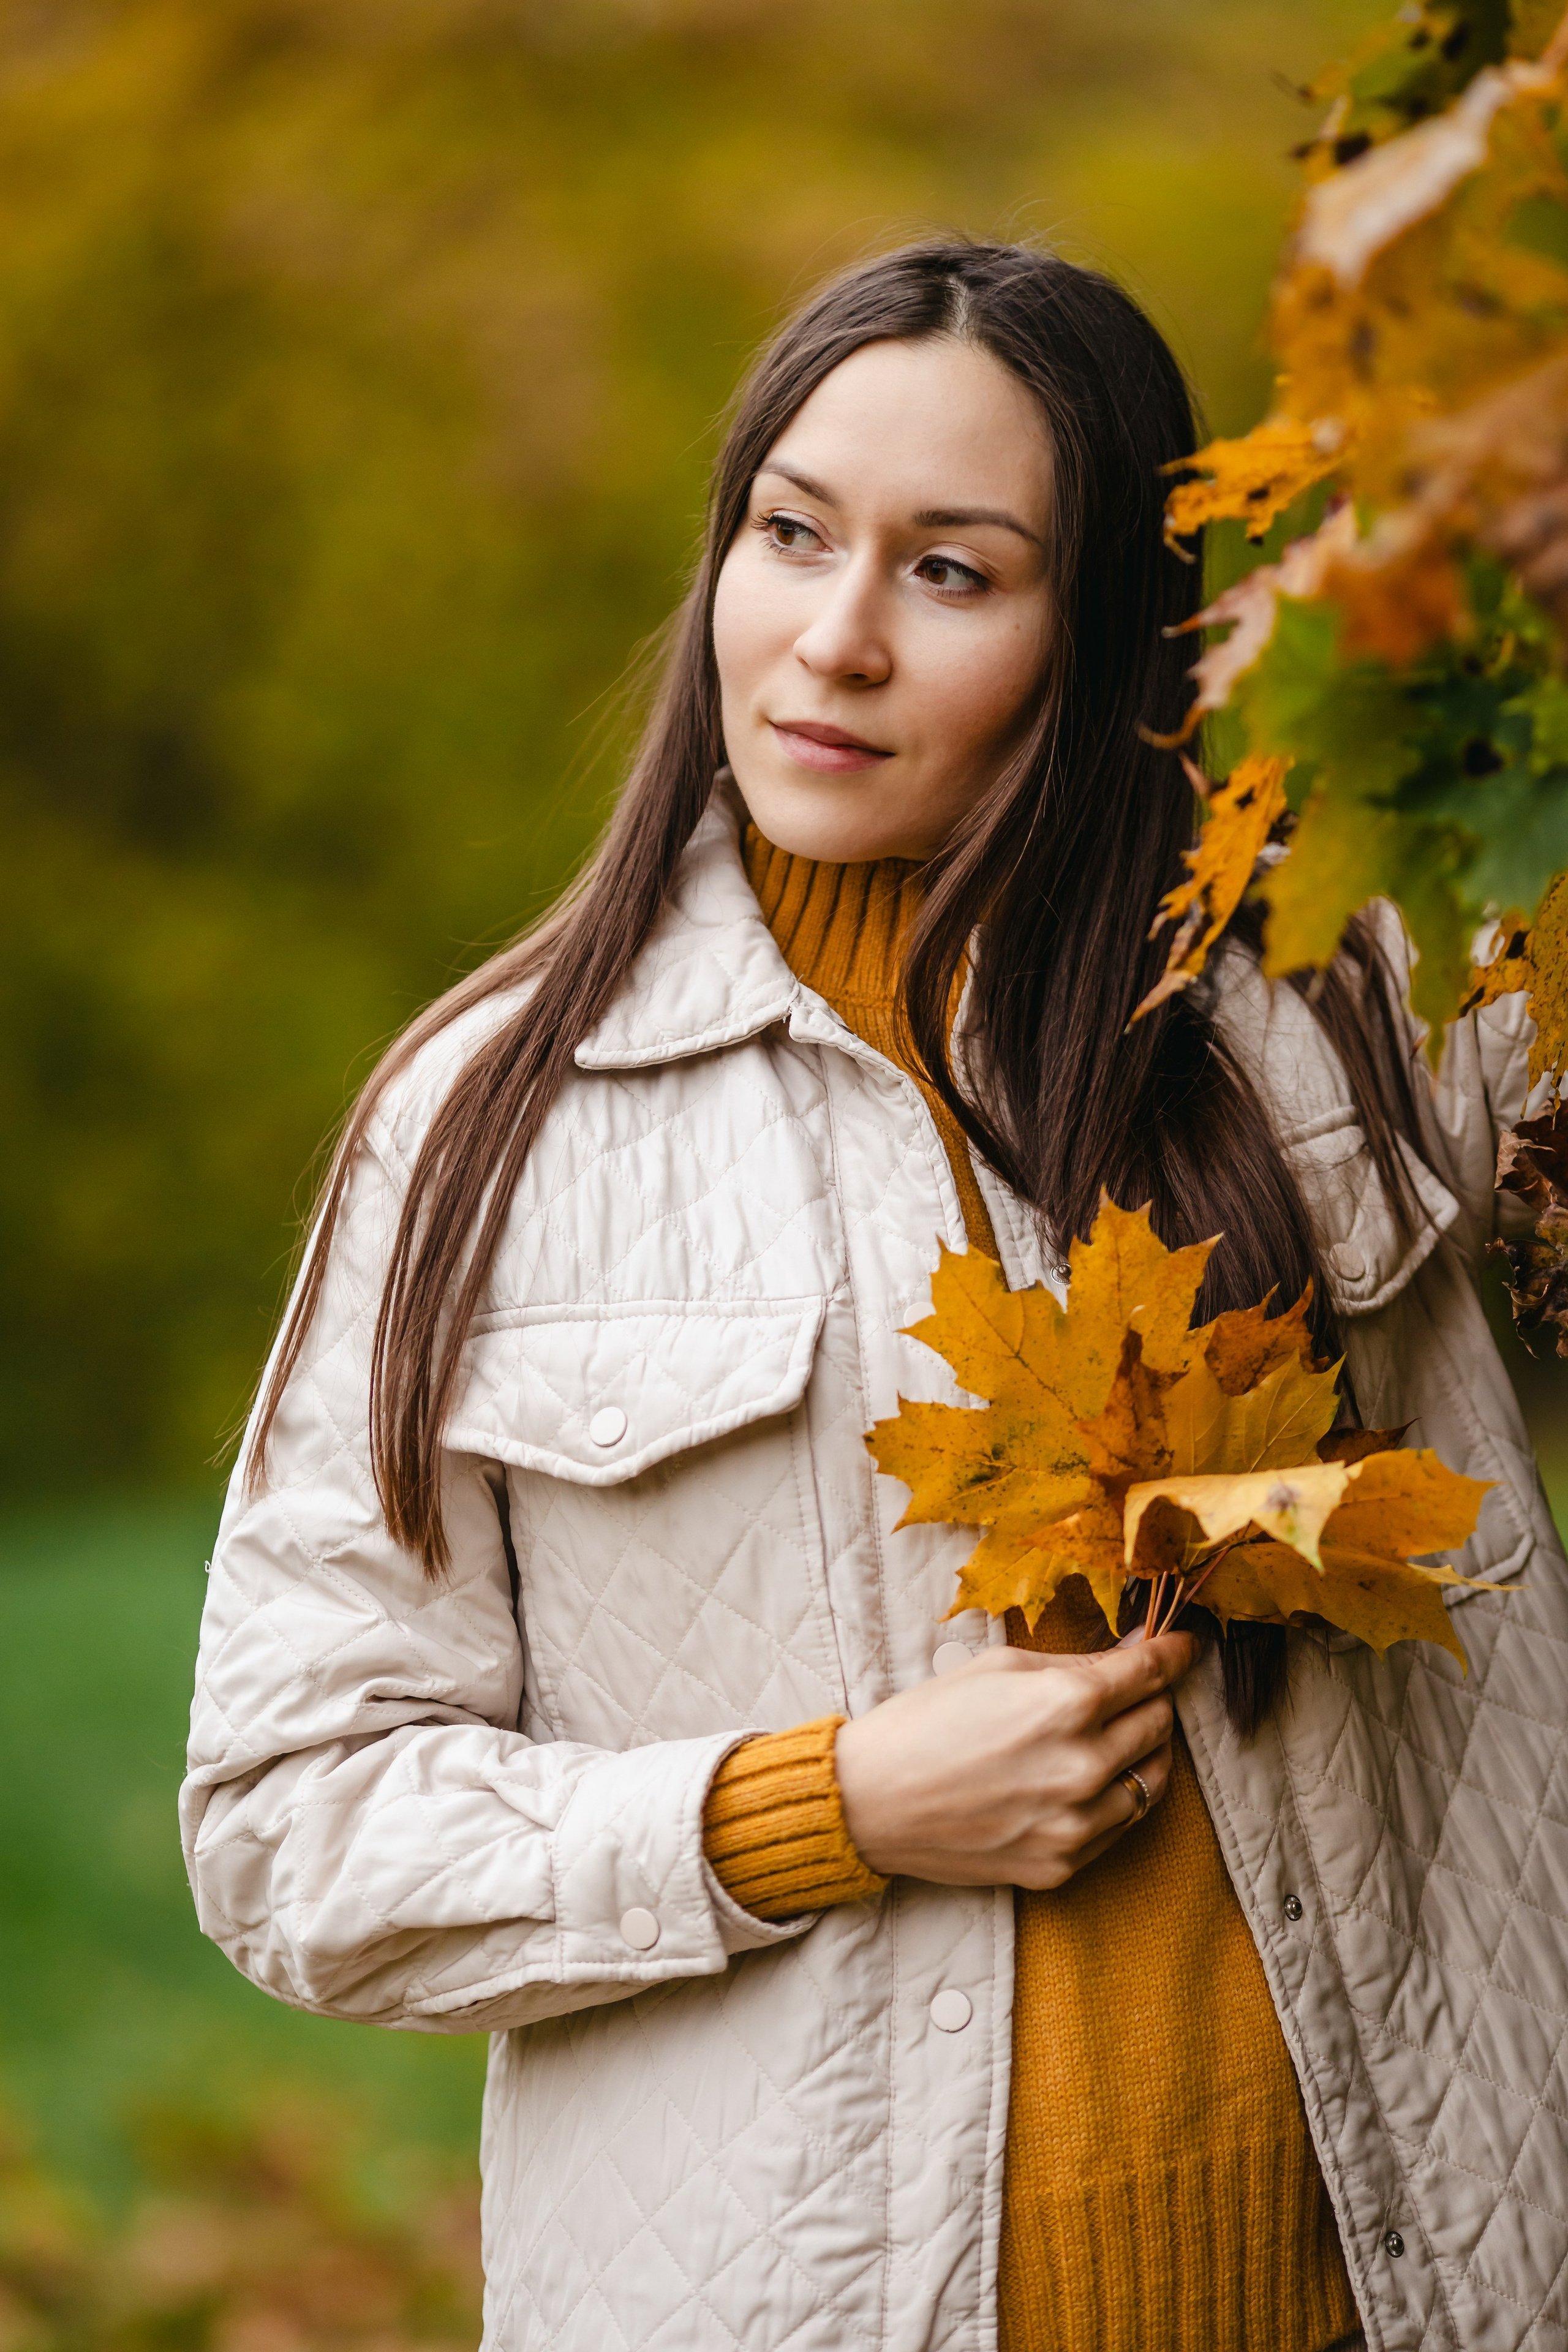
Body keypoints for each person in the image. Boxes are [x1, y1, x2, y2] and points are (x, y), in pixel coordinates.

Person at [181, 241, 1567, 2352]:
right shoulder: (497, 1121)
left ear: (1106, 635)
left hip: (1413, 2291)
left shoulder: (1340, 987)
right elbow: (295, 1827)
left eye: (953, 572)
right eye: (792, 534)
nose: (829, 642)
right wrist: (821, 1809)